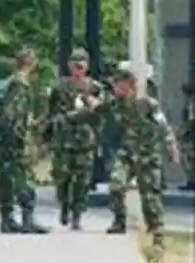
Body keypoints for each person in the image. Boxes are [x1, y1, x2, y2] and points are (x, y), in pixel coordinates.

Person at [72, 68, 180, 249]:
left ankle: (157, 234)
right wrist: (83, 102)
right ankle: (119, 220)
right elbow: (96, 109)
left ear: (130, 86)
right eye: (115, 86)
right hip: (127, 153)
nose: (116, 90)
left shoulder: (148, 104)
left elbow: (164, 127)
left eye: (119, 86)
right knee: (116, 185)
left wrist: (172, 148)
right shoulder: (115, 104)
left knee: (150, 197)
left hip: (148, 155)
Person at [45, 48, 104, 230]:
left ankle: (77, 214)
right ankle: (64, 206)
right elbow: (51, 112)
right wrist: (47, 137)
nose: (78, 69)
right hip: (63, 140)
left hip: (85, 141)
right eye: (75, 65)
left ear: (86, 66)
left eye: (81, 65)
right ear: (70, 66)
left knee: (82, 180)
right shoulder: (60, 87)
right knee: (61, 177)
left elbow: (101, 114)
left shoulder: (95, 88)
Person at [0, 48, 50, 234]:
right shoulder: (19, 85)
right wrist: (22, 135)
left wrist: (31, 122)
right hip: (14, 143)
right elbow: (13, 115)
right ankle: (26, 219)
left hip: (4, 140)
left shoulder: (10, 83)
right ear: (31, 63)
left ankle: (7, 219)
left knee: (7, 180)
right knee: (23, 179)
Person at [181, 82, 194, 192]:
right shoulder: (189, 102)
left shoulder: (191, 103)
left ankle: (191, 181)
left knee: (188, 158)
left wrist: (183, 131)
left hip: (191, 134)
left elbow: (191, 120)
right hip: (190, 133)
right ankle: (191, 180)